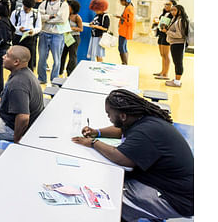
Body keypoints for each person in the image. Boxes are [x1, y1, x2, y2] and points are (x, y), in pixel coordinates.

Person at [72, 89, 193, 221]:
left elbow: (120, 157)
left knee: (112, 203)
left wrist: (93, 143)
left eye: (109, 114)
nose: (109, 118)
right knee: (116, 183)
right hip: (171, 184)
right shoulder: (142, 119)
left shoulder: (145, 132)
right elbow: (121, 130)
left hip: (176, 199)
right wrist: (97, 132)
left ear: (123, 116)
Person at [37, 0, 71, 84]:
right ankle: (42, 78)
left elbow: (62, 19)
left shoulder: (63, 4)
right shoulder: (44, 3)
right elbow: (39, 17)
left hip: (57, 35)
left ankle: (54, 79)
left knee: (57, 59)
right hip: (44, 33)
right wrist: (51, 17)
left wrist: (46, 19)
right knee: (42, 58)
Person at [10, 0, 41, 72]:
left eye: (29, 9)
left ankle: (29, 75)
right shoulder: (16, 12)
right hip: (17, 37)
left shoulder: (36, 14)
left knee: (29, 59)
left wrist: (33, 31)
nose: (27, 10)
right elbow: (11, 25)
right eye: (25, 8)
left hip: (30, 38)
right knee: (16, 58)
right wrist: (18, 29)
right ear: (23, 5)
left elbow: (39, 27)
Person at [162, 4, 189, 87]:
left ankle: (177, 82)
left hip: (178, 44)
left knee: (178, 63)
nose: (172, 12)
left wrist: (167, 31)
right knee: (176, 62)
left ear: (179, 11)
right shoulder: (176, 19)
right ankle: (176, 79)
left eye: (174, 10)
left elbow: (179, 35)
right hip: (174, 43)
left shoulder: (180, 20)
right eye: (172, 10)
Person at [153, 0, 177, 81]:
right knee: (162, 54)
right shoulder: (164, 13)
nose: (166, 6)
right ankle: (162, 71)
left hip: (167, 35)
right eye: (165, 4)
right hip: (161, 34)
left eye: (168, 4)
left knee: (166, 55)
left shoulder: (173, 15)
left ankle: (165, 73)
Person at [60, 0, 83, 76]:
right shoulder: (65, 15)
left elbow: (81, 29)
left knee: (72, 56)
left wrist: (71, 28)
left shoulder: (77, 17)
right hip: (65, 37)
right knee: (62, 54)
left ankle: (70, 72)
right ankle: (60, 70)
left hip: (74, 37)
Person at [117, 0, 136, 65]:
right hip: (123, 30)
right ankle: (124, 63)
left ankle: (124, 63)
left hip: (125, 31)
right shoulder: (128, 7)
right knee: (123, 47)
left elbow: (129, 21)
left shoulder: (129, 8)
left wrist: (121, 17)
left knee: (121, 47)